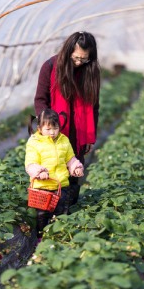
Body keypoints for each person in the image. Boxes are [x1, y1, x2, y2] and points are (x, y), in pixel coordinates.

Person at [34, 31, 100, 204]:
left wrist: (90, 137)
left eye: (84, 59)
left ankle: (68, 214)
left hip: (78, 134)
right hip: (55, 132)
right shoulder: (50, 67)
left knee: (74, 172)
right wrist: (46, 124)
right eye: (76, 58)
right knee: (52, 172)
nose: (79, 62)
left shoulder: (90, 71)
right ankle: (49, 216)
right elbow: (40, 100)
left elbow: (94, 106)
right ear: (68, 51)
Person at [25, 108, 84, 241]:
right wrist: (40, 172)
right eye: (48, 129)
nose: (52, 132)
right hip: (42, 187)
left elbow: (70, 159)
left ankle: (58, 236)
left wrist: (76, 168)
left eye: (55, 128)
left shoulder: (64, 140)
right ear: (40, 128)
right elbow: (30, 163)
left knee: (61, 212)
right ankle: (41, 238)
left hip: (60, 185)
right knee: (42, 215)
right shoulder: (35, 142)